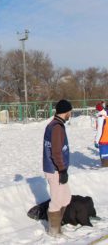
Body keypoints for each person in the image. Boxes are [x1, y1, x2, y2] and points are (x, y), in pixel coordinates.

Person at [43, 99, 72, 237]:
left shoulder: (57, 124)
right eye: (70, 111)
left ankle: (58, 225)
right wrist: (62, 170)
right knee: (56, 201)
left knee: (66, 198)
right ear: (65, 112)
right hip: (55, 170)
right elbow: (56, 152)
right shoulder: (56, 127)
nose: (70, 114)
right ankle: (54, 231)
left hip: (58, 169)